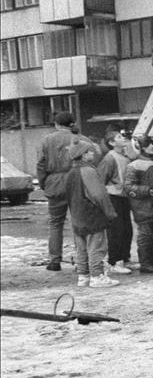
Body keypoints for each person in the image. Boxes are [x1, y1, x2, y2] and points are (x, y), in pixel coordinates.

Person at [64, 142, 119, 288]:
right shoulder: (88, 171)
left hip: (77, 215)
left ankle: (83, 276)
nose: (93, 154)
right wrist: (110, 212)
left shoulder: (70, 173)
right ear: (83, 154)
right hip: (92, 215)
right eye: (90, 152)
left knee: (81, 248)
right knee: (96, 246)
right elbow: (99, 195)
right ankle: (97, 276)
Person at [35, 111, 84, 271]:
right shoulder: (80, 139)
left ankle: (54, 260)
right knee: (78, 222)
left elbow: (41, 164)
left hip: (54, 183)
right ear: (72, 123)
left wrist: (45, 183)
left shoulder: (46, 140)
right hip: (76, 181)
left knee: (56, 223)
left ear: (56, 124)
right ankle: (82, 260)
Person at [123, 138, 153, 274]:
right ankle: (146, 263)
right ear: (141, 147)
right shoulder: (134, 165)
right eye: (148, 144)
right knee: (146, 235)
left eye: (152, 144)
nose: (151, 146)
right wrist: (147, 190)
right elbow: (128, 187)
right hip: (144, 207)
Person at [96, 130, 133, 275]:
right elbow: (101, 179)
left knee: (127, 229)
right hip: (114, 197)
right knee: (116, 230)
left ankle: (124, 258)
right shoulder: (110, 158)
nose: (122, 138)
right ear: (111, 143)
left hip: (124, 196)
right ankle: (114, 261)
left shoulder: (125, 156)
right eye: (118, 137)